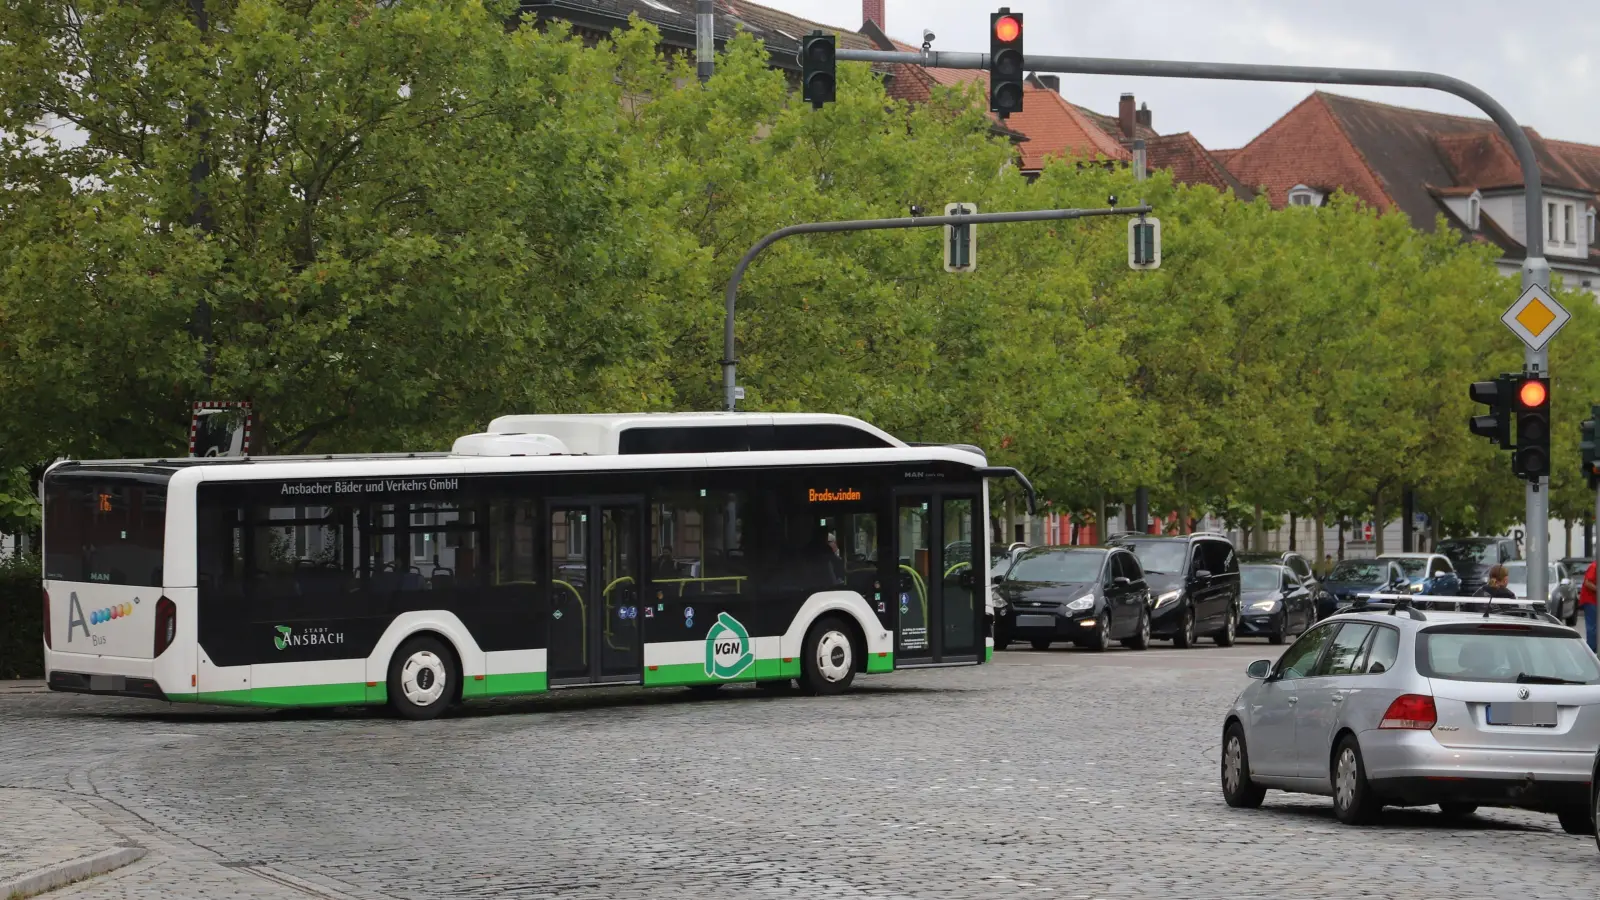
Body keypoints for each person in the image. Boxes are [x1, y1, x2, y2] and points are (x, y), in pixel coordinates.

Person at [1580, 560, 1597, 652]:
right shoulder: (1594, 566)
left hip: (1595, 601)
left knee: (1594, 625)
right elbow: (1587, 582)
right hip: (1590, 600)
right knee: (1592, 626)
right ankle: (1592, 649)